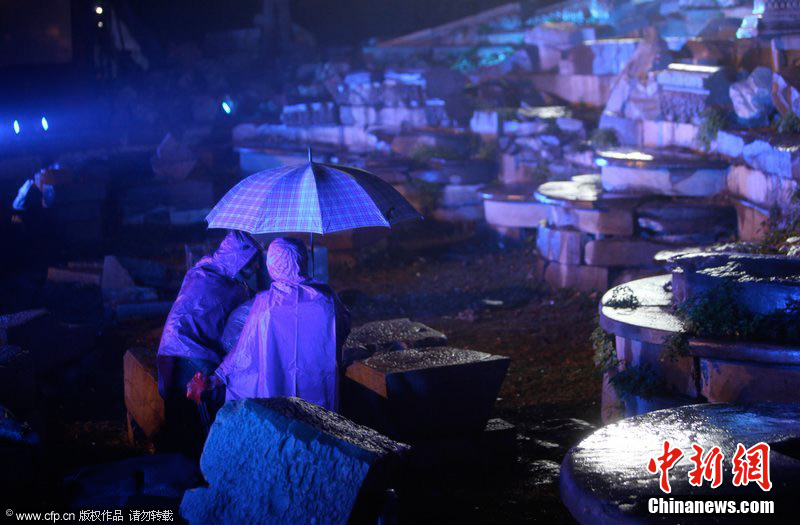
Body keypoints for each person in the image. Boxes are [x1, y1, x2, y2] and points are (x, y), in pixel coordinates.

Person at [188, 237, 350, 412]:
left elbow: (243, 351)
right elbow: (343, 329)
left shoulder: (264, 304)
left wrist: (218, 377)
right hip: (318, 387)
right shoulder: (326, 298)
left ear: (272, 263)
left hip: (276, 387)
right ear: (303, 259)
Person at [157, 230, 261, 455]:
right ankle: (209, 457)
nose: (255, 267)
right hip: (192, 351)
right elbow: (251, 308)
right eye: (252, 261)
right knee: (210, 402)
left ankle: (185, 455)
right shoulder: (225, 286)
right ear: (238, 259)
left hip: (174, 346)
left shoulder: (203, 271)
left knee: (183, 410)